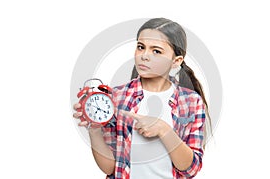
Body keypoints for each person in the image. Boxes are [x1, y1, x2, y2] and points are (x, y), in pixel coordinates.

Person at [73, 17, 211, 179]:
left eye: (156, 51)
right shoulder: (115, 98)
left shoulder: (191, 102)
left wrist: (163, 129)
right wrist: (94, 130)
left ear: (176, 61)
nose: (144, 56)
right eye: (141, 47)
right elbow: (110, 168)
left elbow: (190, 169)